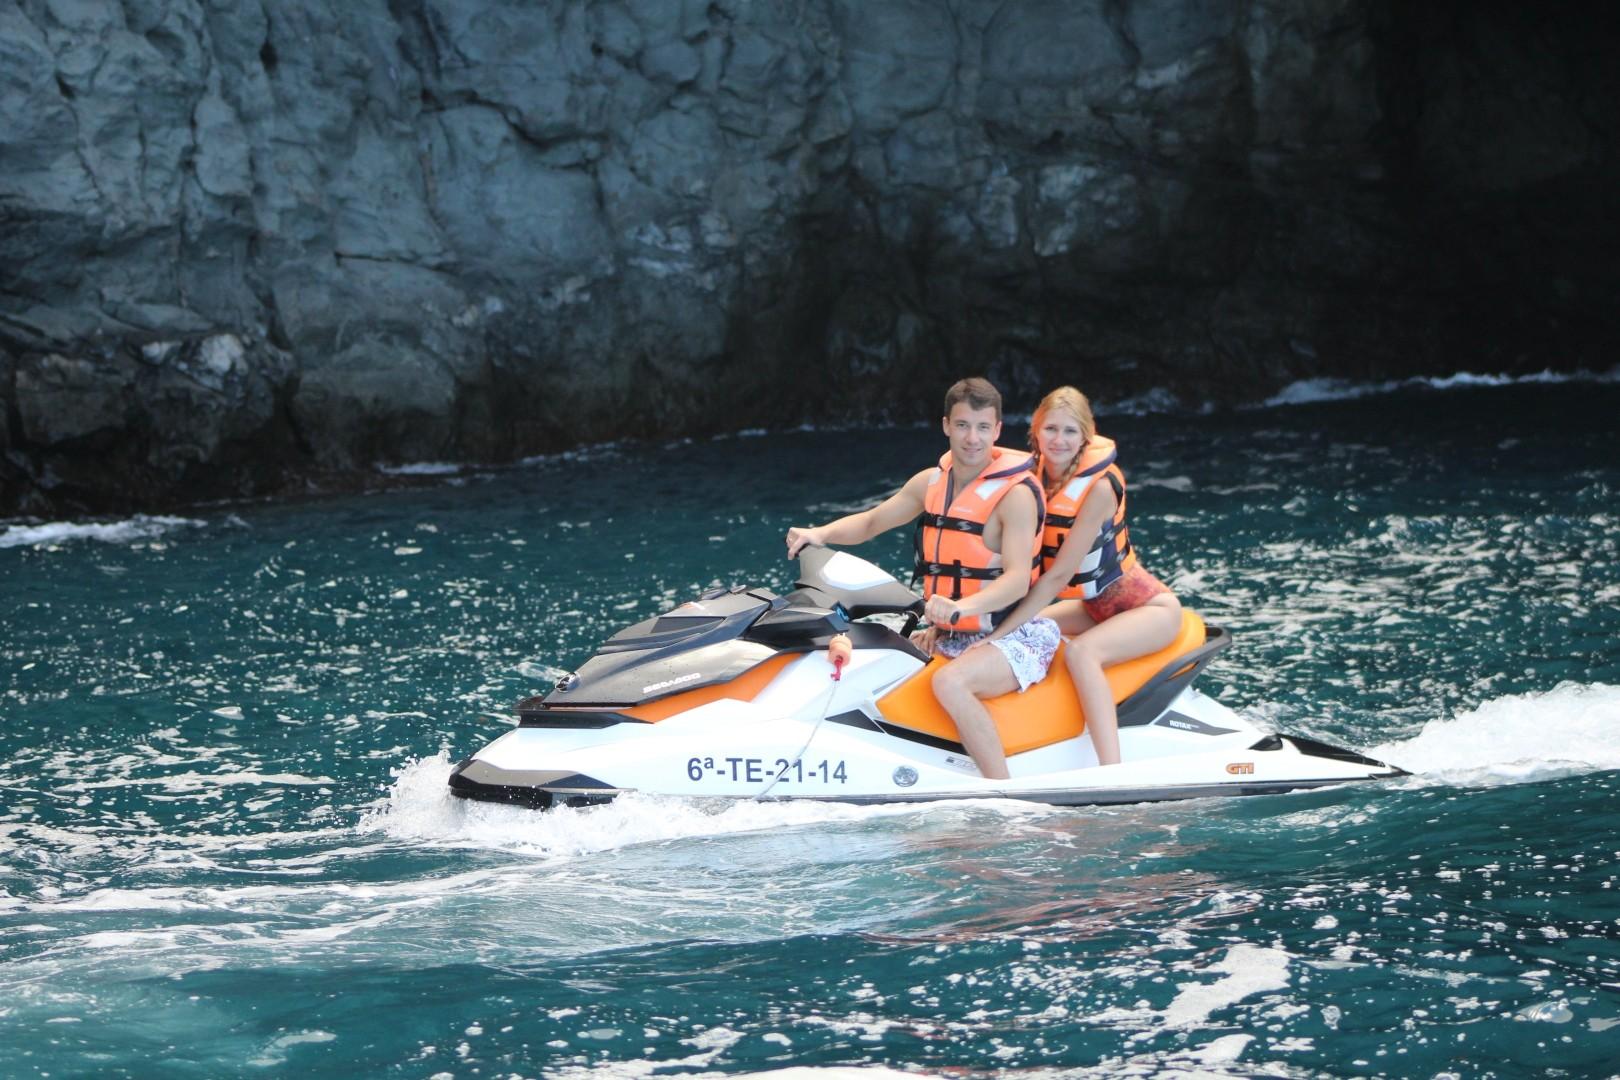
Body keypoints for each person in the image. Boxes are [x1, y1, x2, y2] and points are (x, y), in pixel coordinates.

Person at [785, 377, 1060, 780]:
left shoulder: (1014, 496)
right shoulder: (930, 483)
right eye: (963, 425)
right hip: (952, 631)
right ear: (946, 425)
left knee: (950, 683)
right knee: (875, 663)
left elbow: (1018, 580)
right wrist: (820, 534)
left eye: (983, 427)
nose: (972, 438)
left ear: (998, 431)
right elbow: (871, 522)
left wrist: (958, 608)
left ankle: (1004, 795)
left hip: (1010, 634)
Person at [974, 386, 1182, 766]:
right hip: (1093, 609)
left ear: (1085, 436)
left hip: (1150, 610)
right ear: (1035, 431)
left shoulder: (1098, 489)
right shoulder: (1031, 478)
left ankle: (1111, 770)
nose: (1059, 440)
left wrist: (999, 631)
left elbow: (1056, 579)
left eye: (1070, 431)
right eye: (1051, 429)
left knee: (1083, 654)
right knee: (1028, 627)